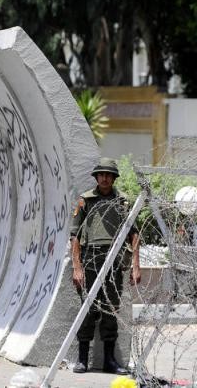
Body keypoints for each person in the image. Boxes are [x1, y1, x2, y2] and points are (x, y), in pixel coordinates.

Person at [69, 157, 141, 374]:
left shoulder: (123, 201)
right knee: (88, 308)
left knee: (111, 309)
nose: (105, 178)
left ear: (114, 177)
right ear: (96, 177)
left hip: (114, 260)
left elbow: (134, 233)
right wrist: (77, 267)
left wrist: (136, 265)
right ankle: (83, 359)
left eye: (109, 175)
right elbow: (74, 235)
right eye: (101, 174)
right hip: (91, 259)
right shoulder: (85, 200)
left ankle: (109, 360)